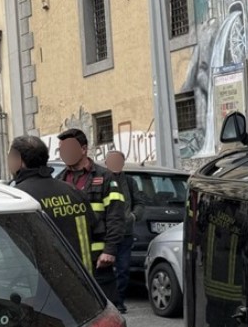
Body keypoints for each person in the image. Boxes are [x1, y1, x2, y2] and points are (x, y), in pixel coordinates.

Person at [55, 128, 125, 307]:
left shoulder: (105, 177)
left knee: (107, 307)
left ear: (83, 149)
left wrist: (110, 250)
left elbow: (116, 216)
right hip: (70, 257)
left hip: (98, 259)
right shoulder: (58, 181)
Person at [7, 136, 98, 274]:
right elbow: (96, 231)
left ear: (19, 161)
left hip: (45, 284)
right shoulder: (73, 191)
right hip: (84, 282)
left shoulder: (17, 198)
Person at [105, 150, 145, 314]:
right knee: (105, 270)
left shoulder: (129, 182)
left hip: (125, 233)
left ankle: (118, 301)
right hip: (106, 234)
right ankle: (106, 302)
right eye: (111, 160)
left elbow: (140, 202)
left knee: (123, 269)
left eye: (118, 160)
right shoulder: (102, 180)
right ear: (107, 163)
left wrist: (134, 216)